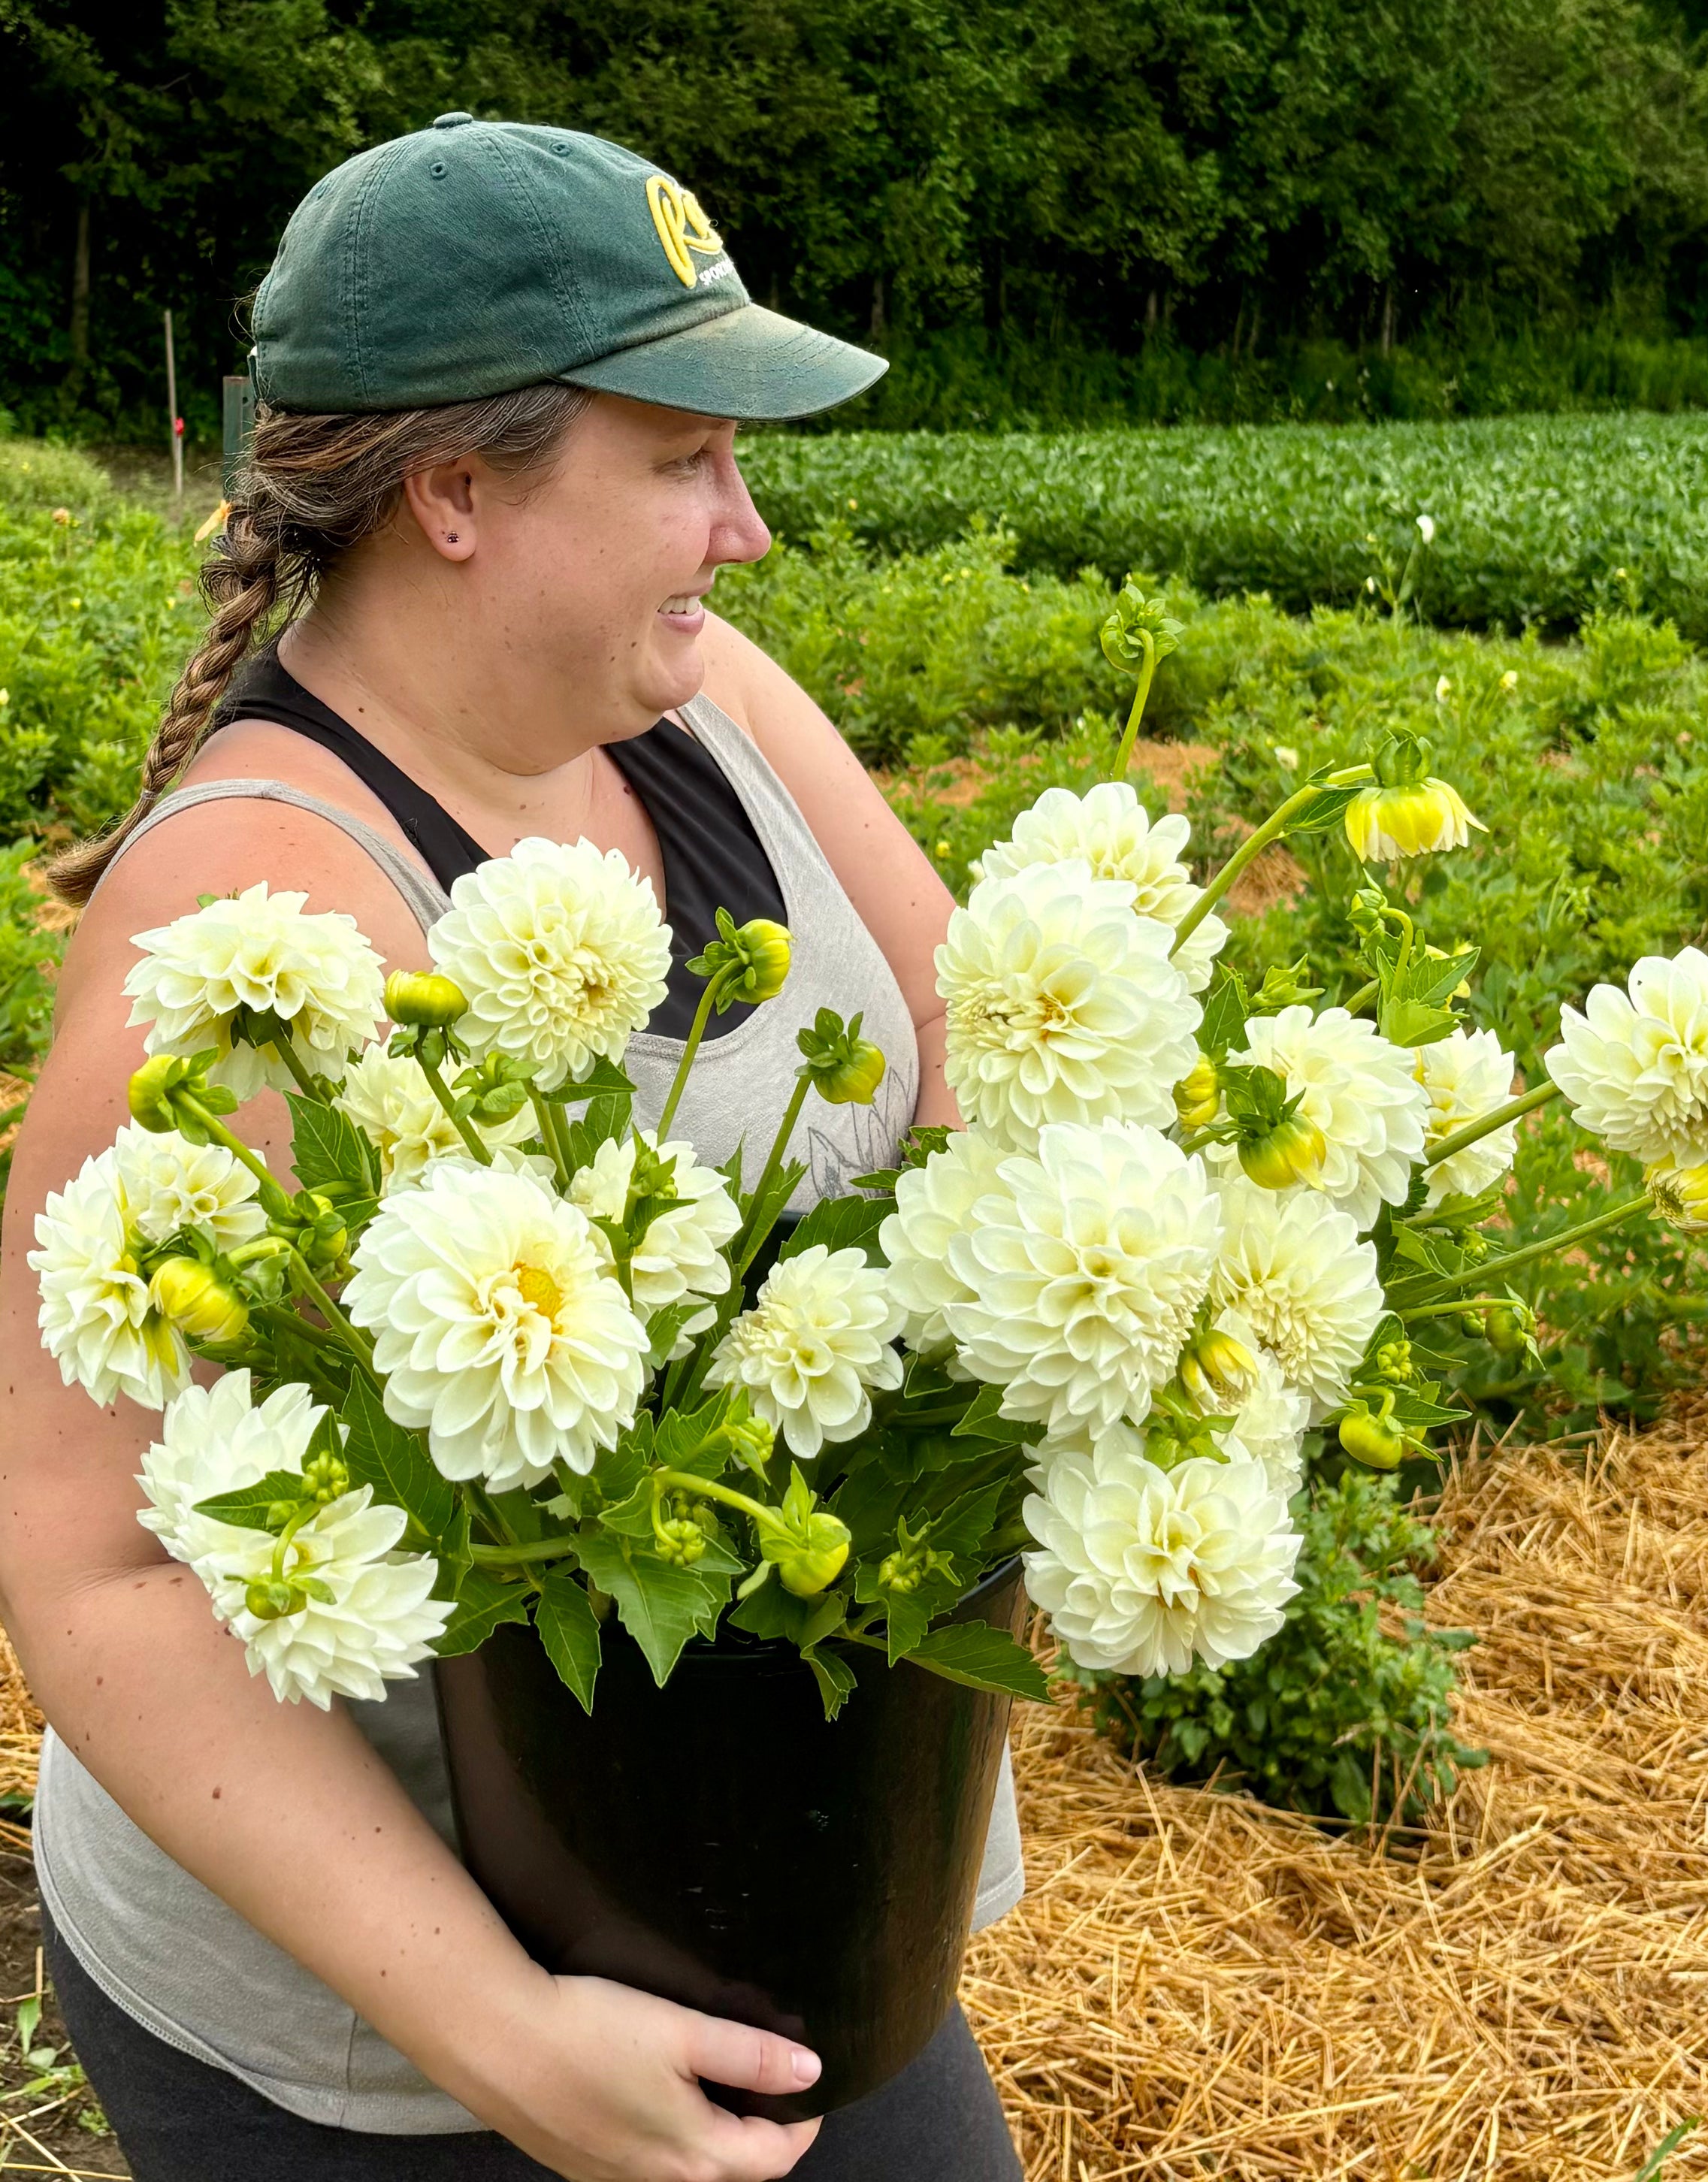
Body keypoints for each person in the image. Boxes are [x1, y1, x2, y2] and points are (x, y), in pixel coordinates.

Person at [0, 116, 1026, 2182]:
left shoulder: (701, 698)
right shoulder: (265, 937)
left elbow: (965, 1022)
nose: (746, 531)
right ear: (458, 493)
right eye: (683, 462)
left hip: (766, 1903)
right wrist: (502, 2042)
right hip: (393, 2044)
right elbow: (85, 1554)